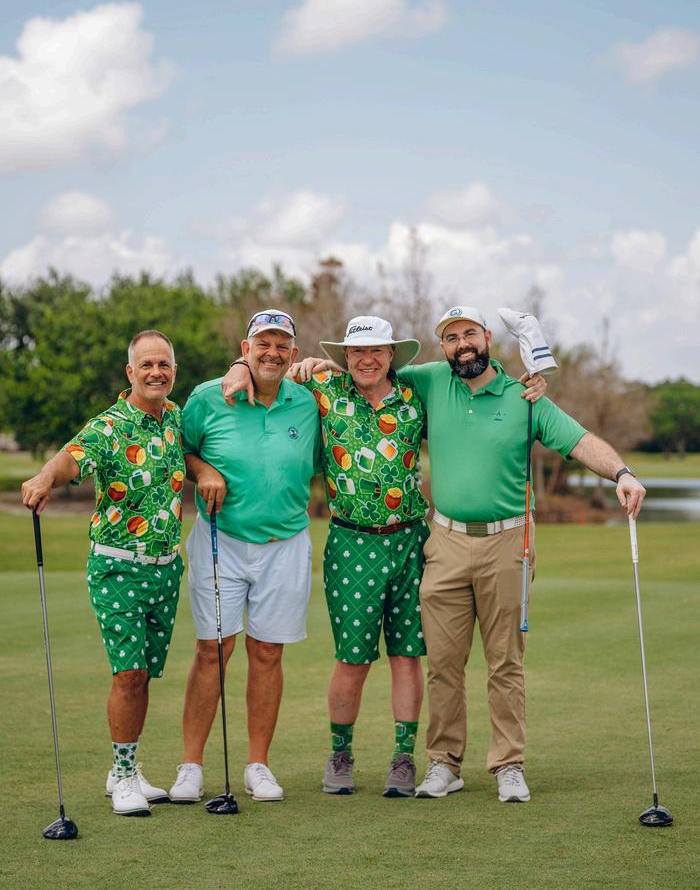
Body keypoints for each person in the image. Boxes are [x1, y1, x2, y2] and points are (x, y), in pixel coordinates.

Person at [222, 315, 544, 798]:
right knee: (351, 658)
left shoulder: (416, 395)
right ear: (344, 356)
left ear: (392, 355)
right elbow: (266, 370)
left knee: (407, 656)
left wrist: (528, 384)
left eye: (377, 350)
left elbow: (472, 394)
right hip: (350, 541)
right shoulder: (322, 390)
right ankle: (341, 754)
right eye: (357, 352)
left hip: (411, 540)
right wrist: (237, 366)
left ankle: (403, 758)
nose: (367, 359)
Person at [396, 306, 647, 802]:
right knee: (443, 664)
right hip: (445, 541)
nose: (462, 344)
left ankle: (508, 764)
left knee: (505, 662)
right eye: (451, 338)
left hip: (509, 542)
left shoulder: (525, 398)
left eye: (469, 334)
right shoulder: (429, 381)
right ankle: (444, 764)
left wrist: (622, 473)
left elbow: (579, 440)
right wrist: (314, 367)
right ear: (442, 347)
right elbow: (370, 370)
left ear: (488, 337)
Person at [21, 330, 184, 817]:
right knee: (128, 673)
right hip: (117, 566)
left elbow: (195, 455)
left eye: (164, 364)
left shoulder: (175, 419)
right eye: (146, 364)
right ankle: (125, 776)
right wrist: (45, 476)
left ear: (173, 371)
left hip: (166, 568)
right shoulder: (109, 426)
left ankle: (124, 769)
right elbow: (72, 457)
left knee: (143, 675)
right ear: (130, 372)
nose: (156, 372)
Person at [169, 310, 320, 804]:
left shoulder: (310, 402)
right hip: (222, 540)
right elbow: (178, 449)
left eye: (282, 345)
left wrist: (327, 368)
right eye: (262, 344)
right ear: (245, 348)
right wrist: (203, 470)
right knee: (212, 650)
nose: (272, 353)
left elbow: (360, 381)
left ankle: (258, 765)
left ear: (293, 353)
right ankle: (191, 766)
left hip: (286, 543)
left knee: (268, 652)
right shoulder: (208, 396)